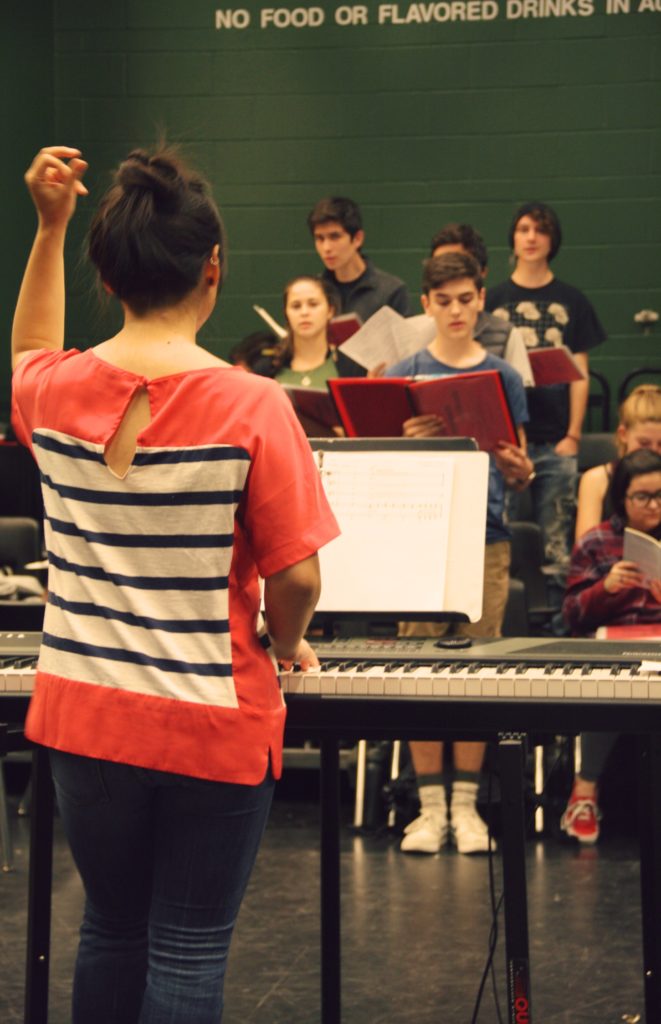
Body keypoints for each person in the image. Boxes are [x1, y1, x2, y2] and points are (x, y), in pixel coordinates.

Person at [11, 145, 340, 1024]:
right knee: (187, 947)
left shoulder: (51, 389)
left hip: (83, 711)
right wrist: (283, 641)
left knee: (110, 929)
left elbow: (31, 344)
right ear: (213, 268)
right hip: (209, 721)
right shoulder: (253, 404)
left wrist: (49, 226)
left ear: (109, 276)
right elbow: (296, 575)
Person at [386, 251, 533, 854]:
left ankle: (468, 807)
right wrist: (402, 443)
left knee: (477, 670)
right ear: (426, 304)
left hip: (485, 537)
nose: (455, 310)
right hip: (418, 536)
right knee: (419, 671)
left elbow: (521, 471)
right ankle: (429, 809)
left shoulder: (505, 376)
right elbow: (380, 477)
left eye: (465, 298)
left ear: (481, 301)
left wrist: (519, 467)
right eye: (442, 300)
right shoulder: (402, 371)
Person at [486, 202, 606, 615]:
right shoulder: (495, 299)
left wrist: (572, 435)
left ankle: (559, 626)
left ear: (552, 240)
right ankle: (500, 622)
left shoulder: (571, 300)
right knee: (496, 538)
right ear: (513, 239)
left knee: (556, 544)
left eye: (540, 230)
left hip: (556, 440)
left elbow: (580, 374)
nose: (531, 237)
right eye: (523, 229)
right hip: (504, 443)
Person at [560, 447, 661, 843]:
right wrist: (607, 588)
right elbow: (571, 613)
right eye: (643, 497)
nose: (654, 505)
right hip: (612, 644)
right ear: (622, 498)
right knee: (608, 681)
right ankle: (582, 793)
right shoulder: (597, 541)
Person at [430, 222, 532, 383]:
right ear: (426, 304)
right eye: (439, 265)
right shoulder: (412, 337)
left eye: (459, 265)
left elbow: (519, 400)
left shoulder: (505, 336)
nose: (449, 272)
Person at [575, 384, 661, 539]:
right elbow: (585, 547)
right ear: (623, 434)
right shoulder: (596, 480)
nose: (653, 451)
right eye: (644, 443)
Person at [307, 196, 410, 321]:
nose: (326, 247)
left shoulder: (391, 291)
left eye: (335, 237)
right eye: (320, 238)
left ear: (357, 239)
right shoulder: (312, 291)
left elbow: (406, 340)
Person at [274, 275, 338, 387]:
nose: (304, 312)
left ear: (330, 311)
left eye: (313, 304)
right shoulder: (269, 369)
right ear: (286, 313)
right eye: (296, 306)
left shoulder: (349, 367)